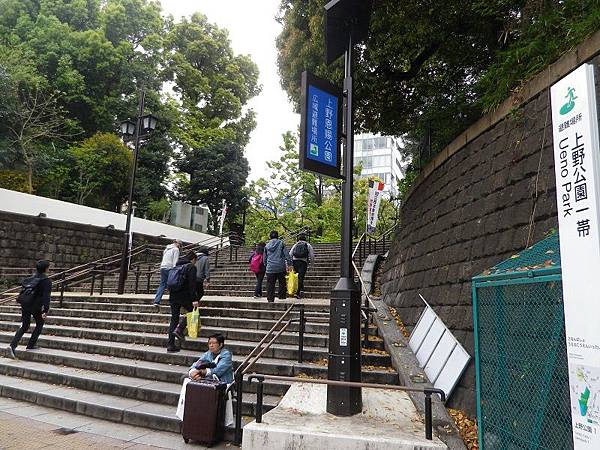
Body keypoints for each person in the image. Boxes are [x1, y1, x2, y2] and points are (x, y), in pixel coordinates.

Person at [8, 260, 52, 358]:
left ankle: (13, 345)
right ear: (46, 269)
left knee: (25, 325)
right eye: (48, 267)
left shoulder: (30, 279)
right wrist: (45, 310)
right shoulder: (46, 281)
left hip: (25, 304)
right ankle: (31, 344)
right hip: (36, 306)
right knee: (40, 323)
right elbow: (46, 297)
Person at [167, 251, 198, 353]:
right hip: (184, 295)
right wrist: (194, 299)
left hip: (173, 295)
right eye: (195, 261)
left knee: (174, 319)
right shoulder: (191, 267)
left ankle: (170, 345)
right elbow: (192, 285)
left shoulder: (176, 266)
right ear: (193, 259)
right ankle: (180, 329)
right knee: (193, 312)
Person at [153, 239, 182, 311]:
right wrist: (176, 270)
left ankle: (157, 301)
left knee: (162, 284)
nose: (180, 246)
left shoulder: (166, 249)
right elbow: (175, 261)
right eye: (180, 245)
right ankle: (173, 300)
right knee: (172, 284)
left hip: (163, 267)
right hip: (170, 268)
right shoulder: (176, 250)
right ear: (177, 244)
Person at [263, 231, 290, 303]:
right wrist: (290, 264)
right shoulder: (281, 243)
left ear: (270, 237)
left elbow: (264, 258)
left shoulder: (266, 245)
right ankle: (281, 296)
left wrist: (266, 265)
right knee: (282, 282)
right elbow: (287, 254)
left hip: (270, 268)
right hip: (280, 267)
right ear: (277, 236)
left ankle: (270, 298)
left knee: (270, 284)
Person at [289, 233, 315, 299]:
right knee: (301, 277)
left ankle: (301, 289)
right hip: (303, 262)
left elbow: (290, 254)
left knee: (297, 277)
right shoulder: (308, 245)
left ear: (298, 239)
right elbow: (312, 255)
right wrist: (312, 264)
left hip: (295, 262)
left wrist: (290, 263)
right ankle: (298, 293)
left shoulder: (295, 244)